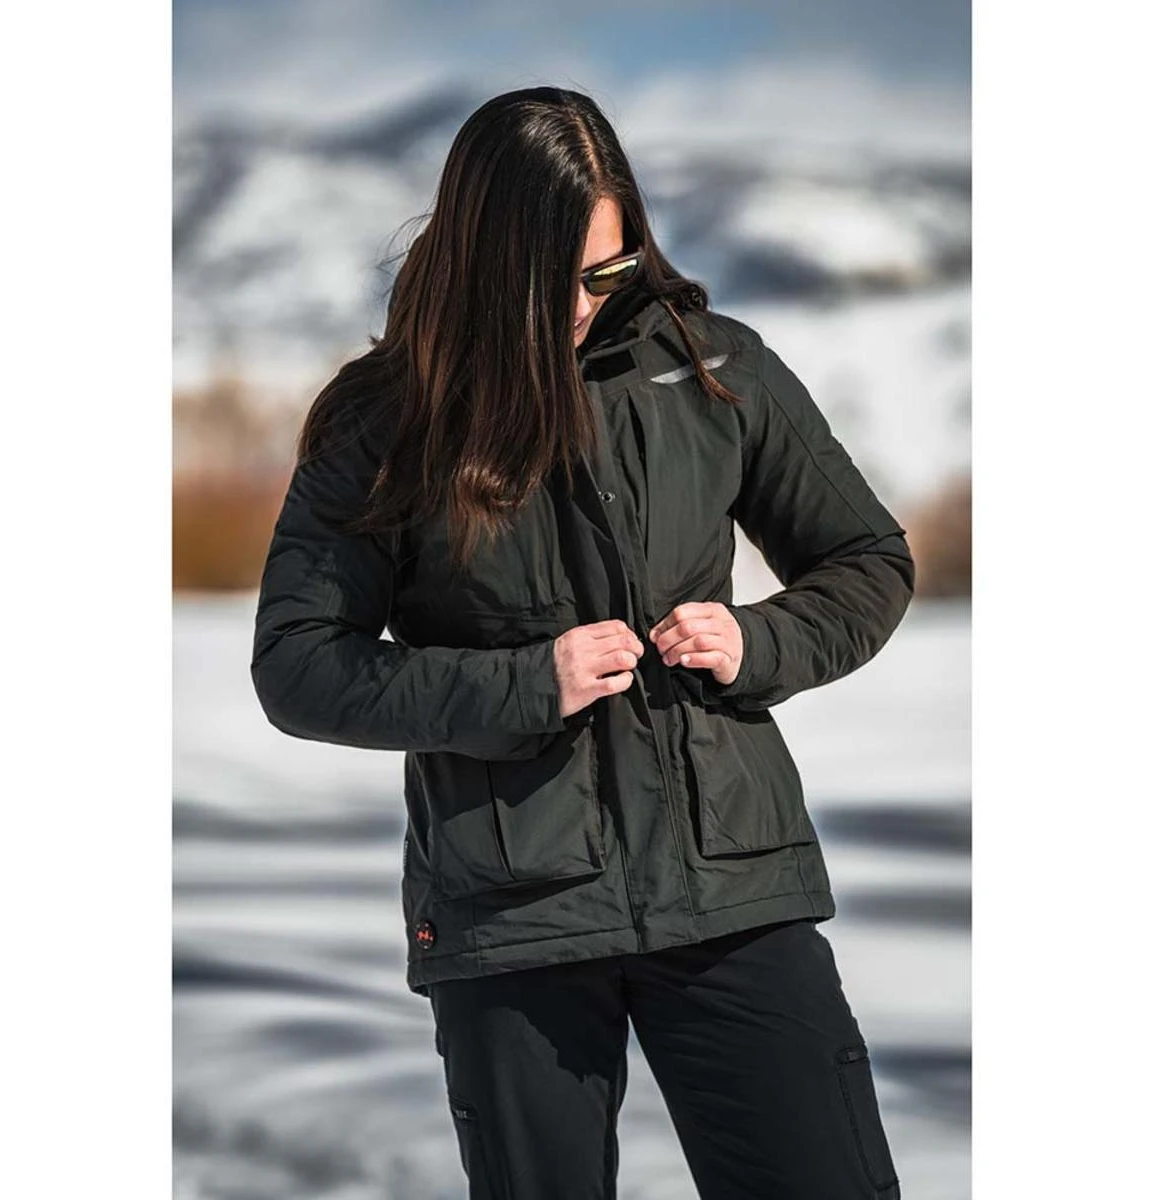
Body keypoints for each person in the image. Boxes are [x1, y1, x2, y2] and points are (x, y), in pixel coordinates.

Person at [250, 86, 912, 1200]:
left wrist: (760, 642)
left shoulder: (717, 369)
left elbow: (867, 561)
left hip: (732, 887)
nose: (578, 304)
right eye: (549, 277)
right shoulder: (388, 416)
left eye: (603, 273)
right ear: (484, 253)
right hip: (514, 914)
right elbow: (300, 663)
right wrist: (524, 683)